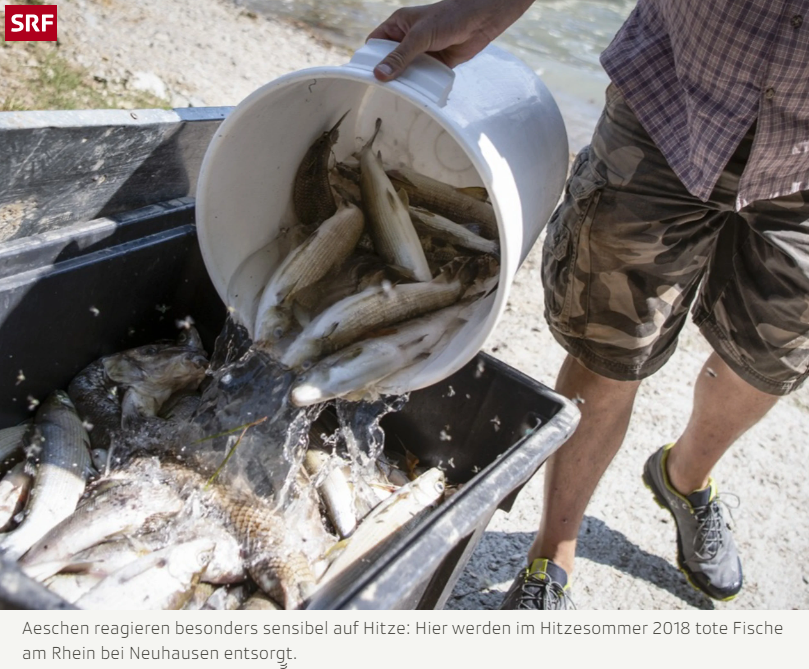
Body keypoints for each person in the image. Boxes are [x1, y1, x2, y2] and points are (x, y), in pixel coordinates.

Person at [369, 0, 809, 608]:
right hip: (670, 103)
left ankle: (684, 477)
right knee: (607, 345)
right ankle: (554, 552)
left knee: (769, 358)